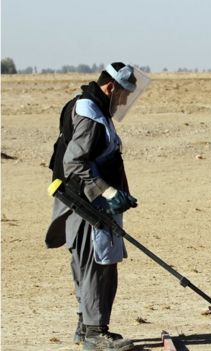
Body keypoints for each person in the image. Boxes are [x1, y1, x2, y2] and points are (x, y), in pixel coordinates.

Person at [45, 62, 149, 351]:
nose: (126, 101)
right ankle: (94, 333)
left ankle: (86, 326)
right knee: (96, 265)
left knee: (89, 263)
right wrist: (110, 191)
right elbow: (74, 164)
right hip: (86, 205)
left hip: (88, 203)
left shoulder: (92, 106)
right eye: (124, 94)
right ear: (111, 87)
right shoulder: (89, 113)